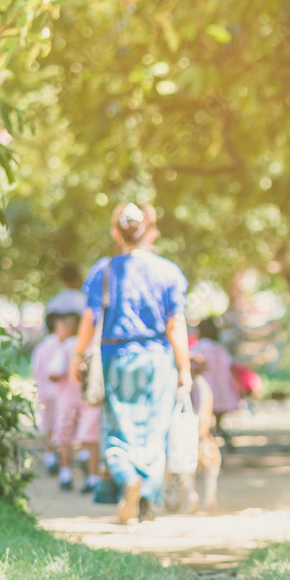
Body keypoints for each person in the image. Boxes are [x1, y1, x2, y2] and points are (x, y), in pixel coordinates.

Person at [71, 202, 191, 525]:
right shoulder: (168, 272)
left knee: (116, 429)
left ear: (116, 232)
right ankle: (146, 498)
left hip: (115, 360)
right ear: (151, 231)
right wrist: (185, 368)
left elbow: (89, 318)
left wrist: (78, 356)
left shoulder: (104, 270)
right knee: (154, 430)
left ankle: (128, 480)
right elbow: (175, 323)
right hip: (157, 361)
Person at [48, 312, 101, 493]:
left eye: (59, 328)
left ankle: (66, 476)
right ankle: (93, 479)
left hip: (67, 401)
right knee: (90, 440)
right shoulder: (93, 344)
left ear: (69, 328)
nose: (57, 332)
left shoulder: (68, 346)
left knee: (65, 440)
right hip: (90, 400)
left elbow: (53, 373)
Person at [190, 317, 239, 447]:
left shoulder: (199, 346)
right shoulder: (220, 348)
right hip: (221, 387)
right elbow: (229, 365)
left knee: (204, 417)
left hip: (205, 388)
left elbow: (194, 364)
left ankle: (208, 443)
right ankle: (223, 439)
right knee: (218, 419)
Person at [31, 313, 62, 475]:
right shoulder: (61, 344)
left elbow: (35, 368)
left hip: (44, 391)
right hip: (60, 393)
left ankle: (51, 456)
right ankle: (63, 458)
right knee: (62, 424)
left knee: (48, 424)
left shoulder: (41, 346)